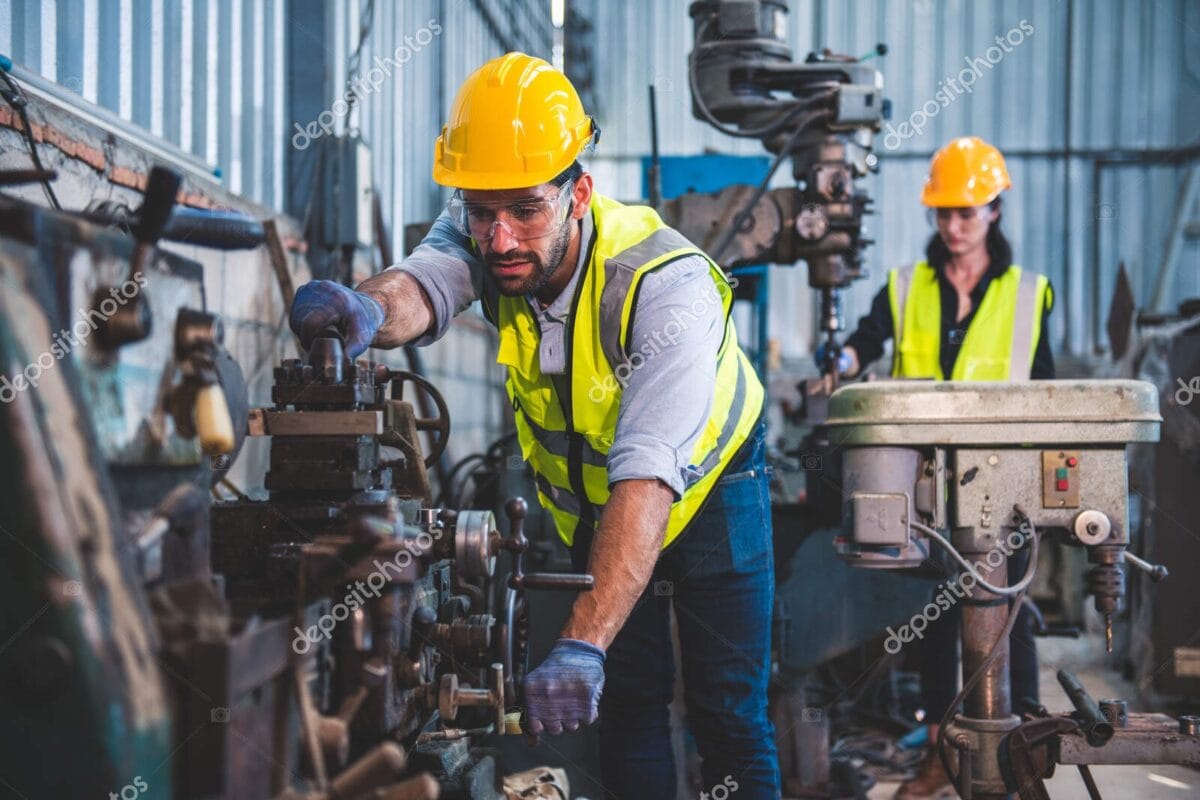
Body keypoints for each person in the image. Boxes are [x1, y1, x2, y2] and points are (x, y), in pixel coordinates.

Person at [288, 53, 779, 799]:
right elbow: (426, 284)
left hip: (710, 494)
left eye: (525, 210)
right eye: (481, 212)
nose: (501, 239)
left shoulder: (664, 288)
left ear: (578, 193)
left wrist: (581, 640)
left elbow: (646, 483)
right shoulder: (483, 233)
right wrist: (366, 311)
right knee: (630, 707)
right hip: (595, 505)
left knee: (728, 716)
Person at [826, 136, 1053, 799]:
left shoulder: (1029, 293)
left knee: (1010, 613)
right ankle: (939, 753)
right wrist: (837, 362)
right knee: (932, 618)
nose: (953, 227)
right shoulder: (907, 286)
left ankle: (1020, 748)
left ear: (994, 212)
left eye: (967, 213)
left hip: (999, 483)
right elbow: (864, 341)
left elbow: (1044, 388)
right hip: (922, 482)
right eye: (943, 214)